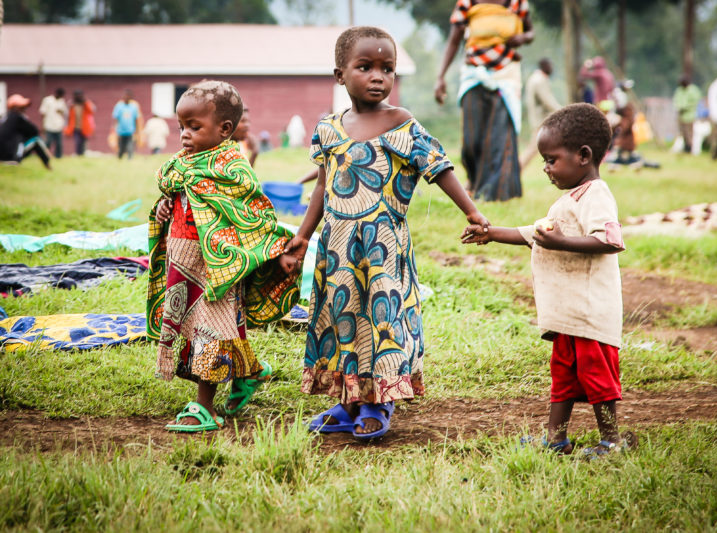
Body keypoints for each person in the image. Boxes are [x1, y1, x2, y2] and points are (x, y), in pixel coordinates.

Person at [283, 26, 490, 440]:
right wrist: (304, 236)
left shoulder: (402, 124)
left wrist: (471, 211)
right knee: (340, 318)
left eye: (387, 69)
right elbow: (324, 184)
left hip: (382, 249)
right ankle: (347, 402)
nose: (378, 76)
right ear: (340, 74)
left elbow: (439, 167)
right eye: (365, 67)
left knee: (381, 321)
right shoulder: (328, 128)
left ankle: (379, 402)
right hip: (337, 247)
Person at [462, 103, 631, 458]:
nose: (546, 168)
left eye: (552, 159)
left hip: (590, 316)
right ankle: (556, 440)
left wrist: (562, 242)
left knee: (598, 379)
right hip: (569, 318)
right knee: (564, 378)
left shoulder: (596, 195)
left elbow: (611, 240)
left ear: (583, 156)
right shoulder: (569, 200)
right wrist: (491, 233)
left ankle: (612, 441)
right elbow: (533, 233)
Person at [146, 80, 301, 432]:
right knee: (212, 324)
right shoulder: (182, 164)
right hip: (185, 262)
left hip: (219, 268)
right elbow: (181, 198)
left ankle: (205, 407)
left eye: (194, 127)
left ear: (224, 129)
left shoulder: (232, 168)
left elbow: (253, 215)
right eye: (182, 126)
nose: (185, 134)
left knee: (211, 329)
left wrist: (274, 252)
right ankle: (251, 372)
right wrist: (165, 207)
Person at [435, 0, 534, 201]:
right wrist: (441, 76)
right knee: (471, 141)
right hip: (474, 74)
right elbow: (454, 40)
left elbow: (530, 32)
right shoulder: (467, 3)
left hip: (506, 75)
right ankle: (474, 180)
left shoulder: (517, 3)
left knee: (499, 136)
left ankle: (493, 195)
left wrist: (523, 37)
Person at [520, 58, 561, 170]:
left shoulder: (537, 78)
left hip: (541, 120)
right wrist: (562, 111)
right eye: (550, 66)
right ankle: (516, 169)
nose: (552, 68)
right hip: (541, 121)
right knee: (533, 148)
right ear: (545, 66)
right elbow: (547, 100)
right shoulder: (539, 80)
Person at [0, 94, 52, 169]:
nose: (24, 109)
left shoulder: (6, 118)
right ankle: (48, 165)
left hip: (2, 156)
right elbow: (34, 131)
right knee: (36, 141)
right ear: (15, 107)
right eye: (22, 107)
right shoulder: (18, 117)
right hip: (11, 157)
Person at [672, 75, 701, 154]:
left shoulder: (693, 90)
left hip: (689, 116)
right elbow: (676, 100)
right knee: (683, 133)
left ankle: (690, 148)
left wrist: (685, 107)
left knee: (689, 134)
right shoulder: (679, 90)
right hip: (681, 116)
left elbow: (695, 102)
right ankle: (685, 148)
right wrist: (678, 107)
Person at [64, 90, 95, 156]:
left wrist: (85, 103)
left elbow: (91, 112)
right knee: (77, 141)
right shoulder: (71, 104)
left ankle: (83, 154)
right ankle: (78, 154)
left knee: (84, 142)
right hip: (75, 127)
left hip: (84, 127)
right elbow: (67, 116)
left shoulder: (86, 103)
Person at [39, 88, 68, 158]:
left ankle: (58, 156)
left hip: (58, 125)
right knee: (48, 142)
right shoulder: (47, 100)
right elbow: (42, 112)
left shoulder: (62, 101)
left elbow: (65, 112)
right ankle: (45, 155)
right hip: (49, 125)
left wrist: (60, 111)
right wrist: (43, 125)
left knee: (59, 143)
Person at [112, 89, 140, 159]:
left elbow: (136, 119)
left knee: (130, 147)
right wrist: (114, 129)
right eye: (125, 96)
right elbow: (115, 119)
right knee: (121, 147)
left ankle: (130, 160)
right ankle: (119, 158)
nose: (126, 98)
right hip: (121, 131)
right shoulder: (119, 106)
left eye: (128, 96)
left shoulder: (133, 107)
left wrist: (137, 130)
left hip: (130, 131)